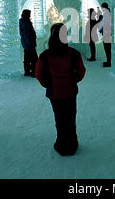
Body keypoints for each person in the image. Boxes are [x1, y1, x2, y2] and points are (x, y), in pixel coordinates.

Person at [35, 23, 86, 156]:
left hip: (54, 93)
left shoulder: (45, 56)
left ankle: (62, 145)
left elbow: (39, 73)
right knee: (70, 118)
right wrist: (73, 80)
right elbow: (81, 71)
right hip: (70, 91)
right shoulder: (74, 54)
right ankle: (72, 144)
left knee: (59, 118)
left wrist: (48, 84)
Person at [19, 9, 37, 77]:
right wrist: (31, 43)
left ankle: (27, 72)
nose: (30, 15)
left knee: (27, 58)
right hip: (29, 44)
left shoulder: (22, 21)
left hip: (26, 43)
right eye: (29, 14)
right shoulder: (26, 22)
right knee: (34, 59)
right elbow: (27, 34)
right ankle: (33, 72)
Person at [98, 2, 111, 67]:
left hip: (106, 34)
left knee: (107, 48)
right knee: (108, 48)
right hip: (107, 33)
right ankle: (109, 61)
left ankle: (109, 62)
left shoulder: (106, 14)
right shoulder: (108, 13)